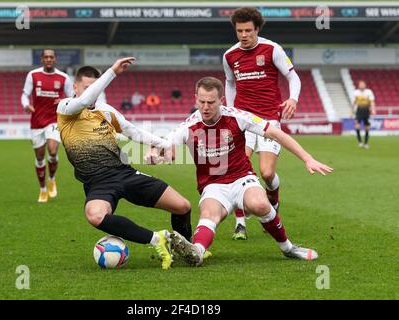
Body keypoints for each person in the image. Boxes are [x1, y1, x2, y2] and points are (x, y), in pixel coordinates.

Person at [146, 77, 332, 266]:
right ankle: (197, 252)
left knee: (260, 204)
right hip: (213, 185)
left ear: (222, 100)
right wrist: (154, 154)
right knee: (209, 215)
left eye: (211, 102)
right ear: (195, 99)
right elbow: (165, 144)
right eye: (201, 102)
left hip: (242, 178)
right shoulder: (189, 126)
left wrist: (307, 158)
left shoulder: (238, 117)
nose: (206, 107)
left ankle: (288, 248)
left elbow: (276, 134)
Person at [56, 57, 192, 270]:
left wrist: (165, 144)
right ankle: (157, 239)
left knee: (182, 206)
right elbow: (82, 101)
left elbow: (133, 132)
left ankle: (187, 250)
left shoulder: (106, 111)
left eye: (94, 88)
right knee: (95, 215)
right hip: (98, 182)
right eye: (86, 88)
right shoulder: (66, 109)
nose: (91, 93)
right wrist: (112, 72)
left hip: (124, 173)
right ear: (75, 87)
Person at [223, 7, 302, 240]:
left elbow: (293, 76)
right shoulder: (229, 55)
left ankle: (273, 199)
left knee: (267, 173)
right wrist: (230, 111)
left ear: (257, 29)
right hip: (244, 121)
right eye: (240, 31)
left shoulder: (272, 49)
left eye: (248, 30)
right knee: (239, 170)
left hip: (269, 120)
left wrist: (293, 98)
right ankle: (240, 223)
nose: (244, 35)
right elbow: (229, 83)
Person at [21, 49, 74, 203]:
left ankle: (51, 178)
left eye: (51, 57)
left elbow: (72, 97)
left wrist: (64, 101)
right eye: (46, 57)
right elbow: (25, 94)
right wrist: (26, 105)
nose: (49, 59)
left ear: (55, 59)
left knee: (52, 151)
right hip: (36, 121)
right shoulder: (33, 75)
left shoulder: (63, 77)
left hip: (54, 120)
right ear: (42, 59)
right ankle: (43, 189)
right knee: (39, 157)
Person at [353, 80, 376, 149]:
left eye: (363, 84)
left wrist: (373, 109)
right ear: (358, 85)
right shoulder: (356, 92)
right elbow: (354, 102)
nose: (362, 86)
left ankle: (365, 143)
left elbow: (372, 102)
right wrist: (351, 111)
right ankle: (360, 142)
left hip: (366, 111)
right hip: (359, 110)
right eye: (360, 84)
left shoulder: (369, 92)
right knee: (357, 125)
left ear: (365, 85)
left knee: (367, 127)